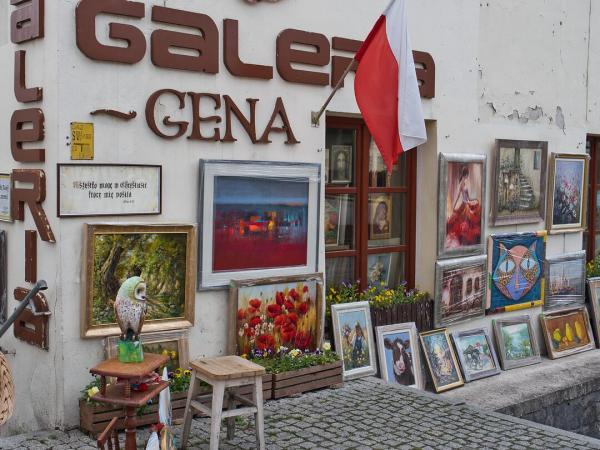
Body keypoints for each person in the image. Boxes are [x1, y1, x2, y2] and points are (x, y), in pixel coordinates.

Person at [445, 165, 481, 248]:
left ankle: (466, 241)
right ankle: (463, 239)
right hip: (464, 204)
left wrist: (470, 201)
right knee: (463, 220)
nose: (467, 176)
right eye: (466, 175)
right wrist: (454, 205)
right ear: (465, 174)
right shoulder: (462, 183)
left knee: (474, 210)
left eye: (467, 175)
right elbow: (458, 195)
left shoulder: (466, 182)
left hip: (466, 203)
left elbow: (467, 196)